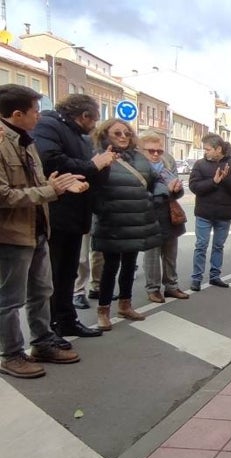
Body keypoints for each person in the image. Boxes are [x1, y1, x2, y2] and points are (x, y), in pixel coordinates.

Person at [0, 84, 85, 378]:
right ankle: (11, 354)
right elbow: (4, 195)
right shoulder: (1, 142)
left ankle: (42, 342)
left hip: (36, 229)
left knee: (41, 290)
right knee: (9, 299)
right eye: (35, 111)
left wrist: (57, 184)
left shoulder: (26, 140)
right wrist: (49, 190)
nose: (39, 116)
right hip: (10, 235)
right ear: (17, 113)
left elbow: (34, 185)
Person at [33, 93, 116, 338]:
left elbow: (93, 171)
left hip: (77, 214)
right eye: (94, 120)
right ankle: (50, 329)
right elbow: (50, 161)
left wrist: (104, 165)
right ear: (84, 116)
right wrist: (93, 166)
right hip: (57, 214)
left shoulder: (80, 136)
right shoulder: (49, 125)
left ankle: (68, 320)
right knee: (55, 274)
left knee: (68, 272)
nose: (95, 126)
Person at [90, 119, 162, 331]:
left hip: (135, 221)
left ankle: (125, 304)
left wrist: (155, 198)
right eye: (117, 133)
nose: (123, 137)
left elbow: (156, 181)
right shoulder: (98, 156)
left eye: (127, 133)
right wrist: (103, 209)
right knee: (110, 268)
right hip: (112, 222)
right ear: (106, 135)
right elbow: (92, 188)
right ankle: (103, 310)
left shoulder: (139, 158)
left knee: (129, 265)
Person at [189, 133, 231, 291]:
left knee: (218, 246)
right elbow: (194, 187)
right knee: (201, 246)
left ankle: (215, 276)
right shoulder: (200, 165)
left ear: (218, 149)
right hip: (204, 213)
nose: (205, 152)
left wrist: (226, 178)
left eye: (208, 149)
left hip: (224, 214)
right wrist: (213, 182)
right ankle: (196, 278)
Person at [139, 132, 189, 303]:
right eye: (151, 151)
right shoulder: (137, 167)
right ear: (141, 150)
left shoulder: (166, 164)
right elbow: (140, 192)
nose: (156, 154)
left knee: (170, 254)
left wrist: (176, 189)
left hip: (169, 215)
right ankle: (153, 289)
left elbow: (175, 192)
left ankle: (171, 286)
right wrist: (167, 189)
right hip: (149, 216)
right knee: (152, 255)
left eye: (159, 151)